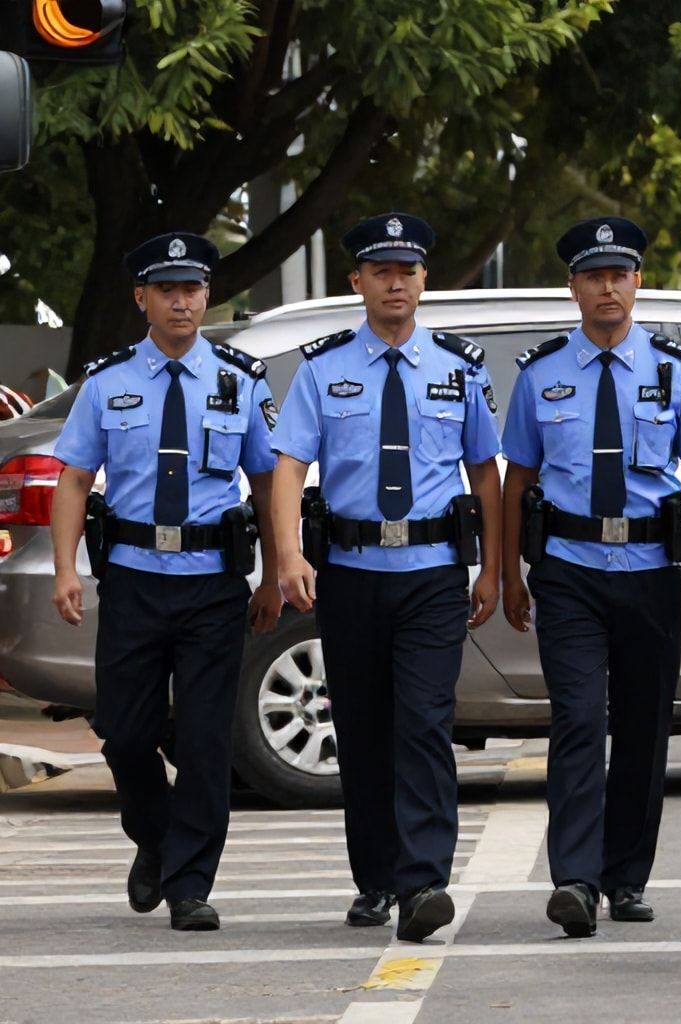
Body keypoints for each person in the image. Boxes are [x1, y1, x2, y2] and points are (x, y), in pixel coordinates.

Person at [269, 213, 503, 943]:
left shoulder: (459, 368)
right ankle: (376, 879)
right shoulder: (322, 369)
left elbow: (485, 473)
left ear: (424, 280)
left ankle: (424, 880)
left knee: (425, 724)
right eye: (381, 271)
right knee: (364, 730)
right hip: (350, 573)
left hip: (432, 574)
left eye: (407, 270)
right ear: (358, 283)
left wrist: (494, 566)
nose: (395, 282)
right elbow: (287, 469)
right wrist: (286, 554)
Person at [498, 216, 681, 938]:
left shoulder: (672, 370)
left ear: (636, 283)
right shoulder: (541, 375)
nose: (608, 286)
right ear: (572, 287)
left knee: (641, 729)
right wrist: (507, 571)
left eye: (620, 274)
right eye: (594, 275)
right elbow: (516, 480)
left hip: (650, 571)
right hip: (568, 570)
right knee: (576, 721)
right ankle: (574, 878)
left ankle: (626, 876)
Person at [48, 232, 282, 930]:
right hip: (133, 580)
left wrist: (276, 572)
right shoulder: (109, 380)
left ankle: (190, 885)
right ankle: (154, 836)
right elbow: (73, 478)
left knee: (209, 739)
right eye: (167, 290)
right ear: (141, 298)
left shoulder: (241, 379)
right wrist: (65, 568)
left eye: (193, 289)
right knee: (124, 732)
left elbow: (269, 479)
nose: (182, 301)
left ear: (208, 296)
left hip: (213, 583)